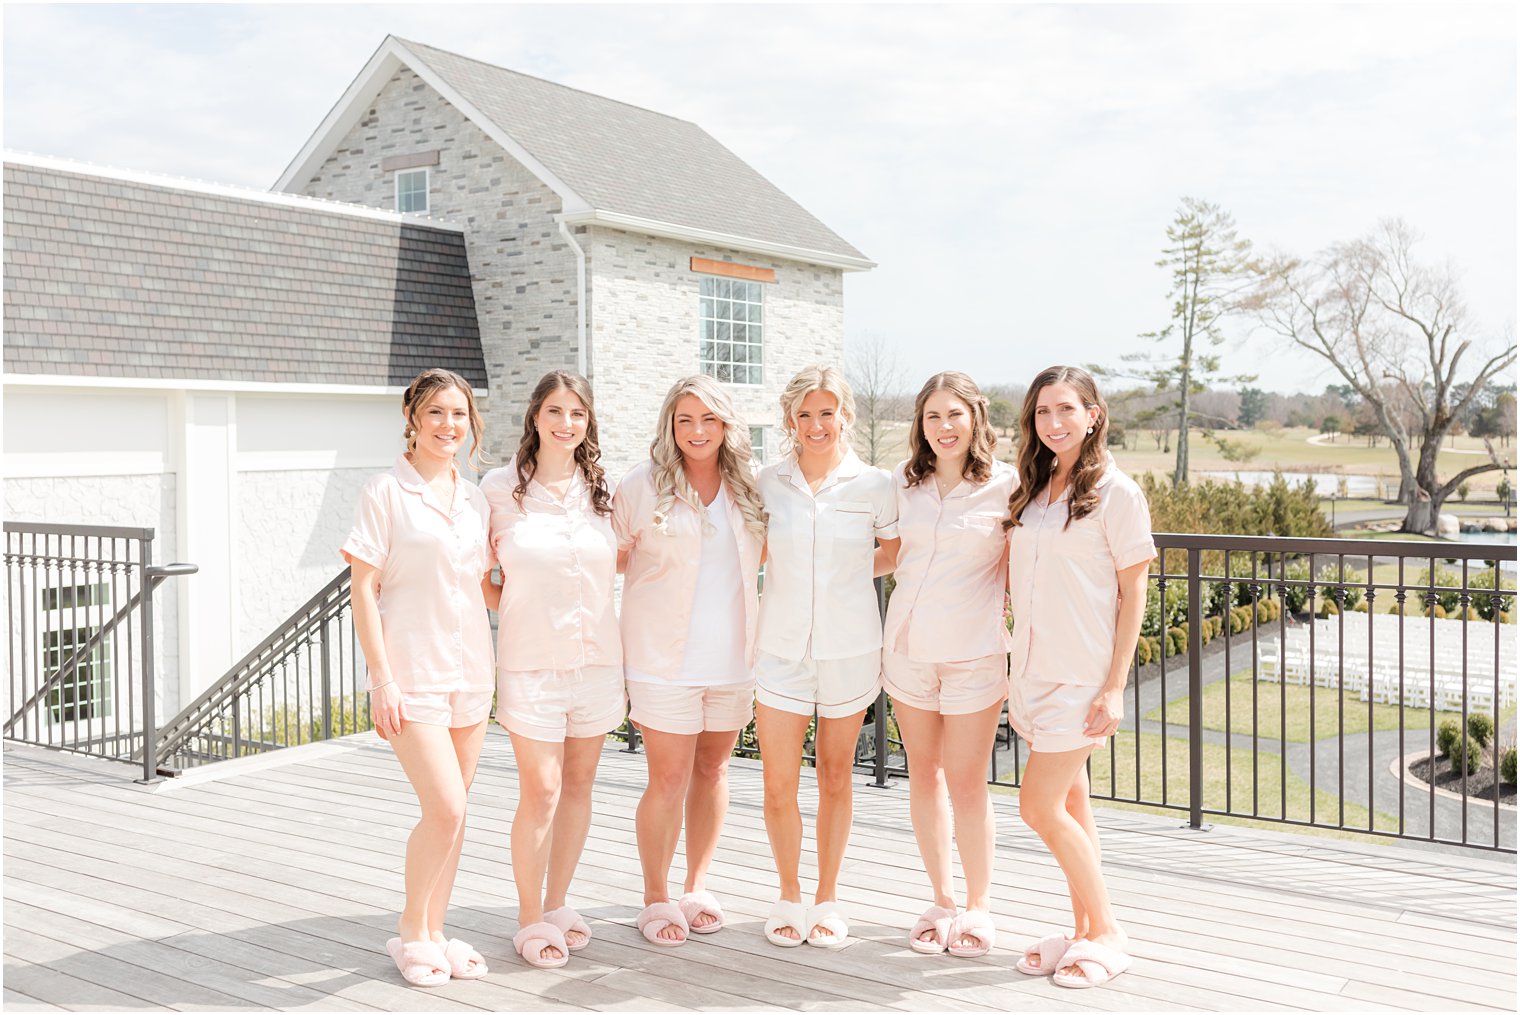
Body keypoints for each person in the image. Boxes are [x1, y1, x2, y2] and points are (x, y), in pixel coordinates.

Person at [342, 368, 495, 987]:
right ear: (413, 419)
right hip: (412, 674)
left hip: (472, 673)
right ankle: (410, 930)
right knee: (446, 806)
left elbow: (485, 587)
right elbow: (362, 587)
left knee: (457, 815)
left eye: (459, 414)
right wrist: (382, 680)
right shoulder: (385, 491)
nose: (448, 425)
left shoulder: (477, 496)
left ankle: (436, 930)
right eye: (435, 413)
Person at [1005, 366, 1154, 989]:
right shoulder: (1032, 490)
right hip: (1032, 671)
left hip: (1081, 678)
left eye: (1067, 409)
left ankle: (1110, 931)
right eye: (1042, 412)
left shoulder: (1117, 493)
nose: (1054, 422)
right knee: (1071, 802)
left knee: (1036, 806)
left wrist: (1114, 686)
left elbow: (1134, 589)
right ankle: (1083, 931)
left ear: (1093, 414)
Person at [612, 375, 768, 947]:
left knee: (713, 771)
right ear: (670, 427)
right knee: (668, 777)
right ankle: (655, 896)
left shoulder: (750, 487)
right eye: (685, 420)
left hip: (733, 660)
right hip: (661, 660)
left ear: (727, 425)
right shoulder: (642, 486)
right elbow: (612, 556)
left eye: (708, 419)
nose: (697, 431)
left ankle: (696, 885)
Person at [480, 371, 623, 970]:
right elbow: (480, 577)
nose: (567, 424)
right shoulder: (496, 489)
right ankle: (528, 915)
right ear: (536, 416)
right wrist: (516, 605)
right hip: (532, 665)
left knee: (580, 786)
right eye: (557, 411)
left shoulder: (604, 491)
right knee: (540, 791)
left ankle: (559, 903)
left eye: (579, 414)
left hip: (597, 663)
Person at [754, 364, 899, 949]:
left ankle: (827, 899)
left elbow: (895, 549)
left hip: (850, 648)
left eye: (827, 412)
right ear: (791, 419)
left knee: (837, 776)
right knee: (777, 784)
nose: (816, 424)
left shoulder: (876, 484)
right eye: (805, 413)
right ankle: (789, 896)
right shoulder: (766, 482)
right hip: (780, 649)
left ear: (845, 416)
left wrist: (843, 576)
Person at [876, 371, 1015, 958]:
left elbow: (1028, 568)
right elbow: (883, 556)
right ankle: (941, 899)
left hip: (974, 655)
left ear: (975, 419)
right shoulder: (902, 487)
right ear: (920, 425)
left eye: (954, 415)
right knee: (923, 776)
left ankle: (979, 907)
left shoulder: (1008, 487)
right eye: (933, 416)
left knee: (966, 782)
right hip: (907, 651)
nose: (944, 427)